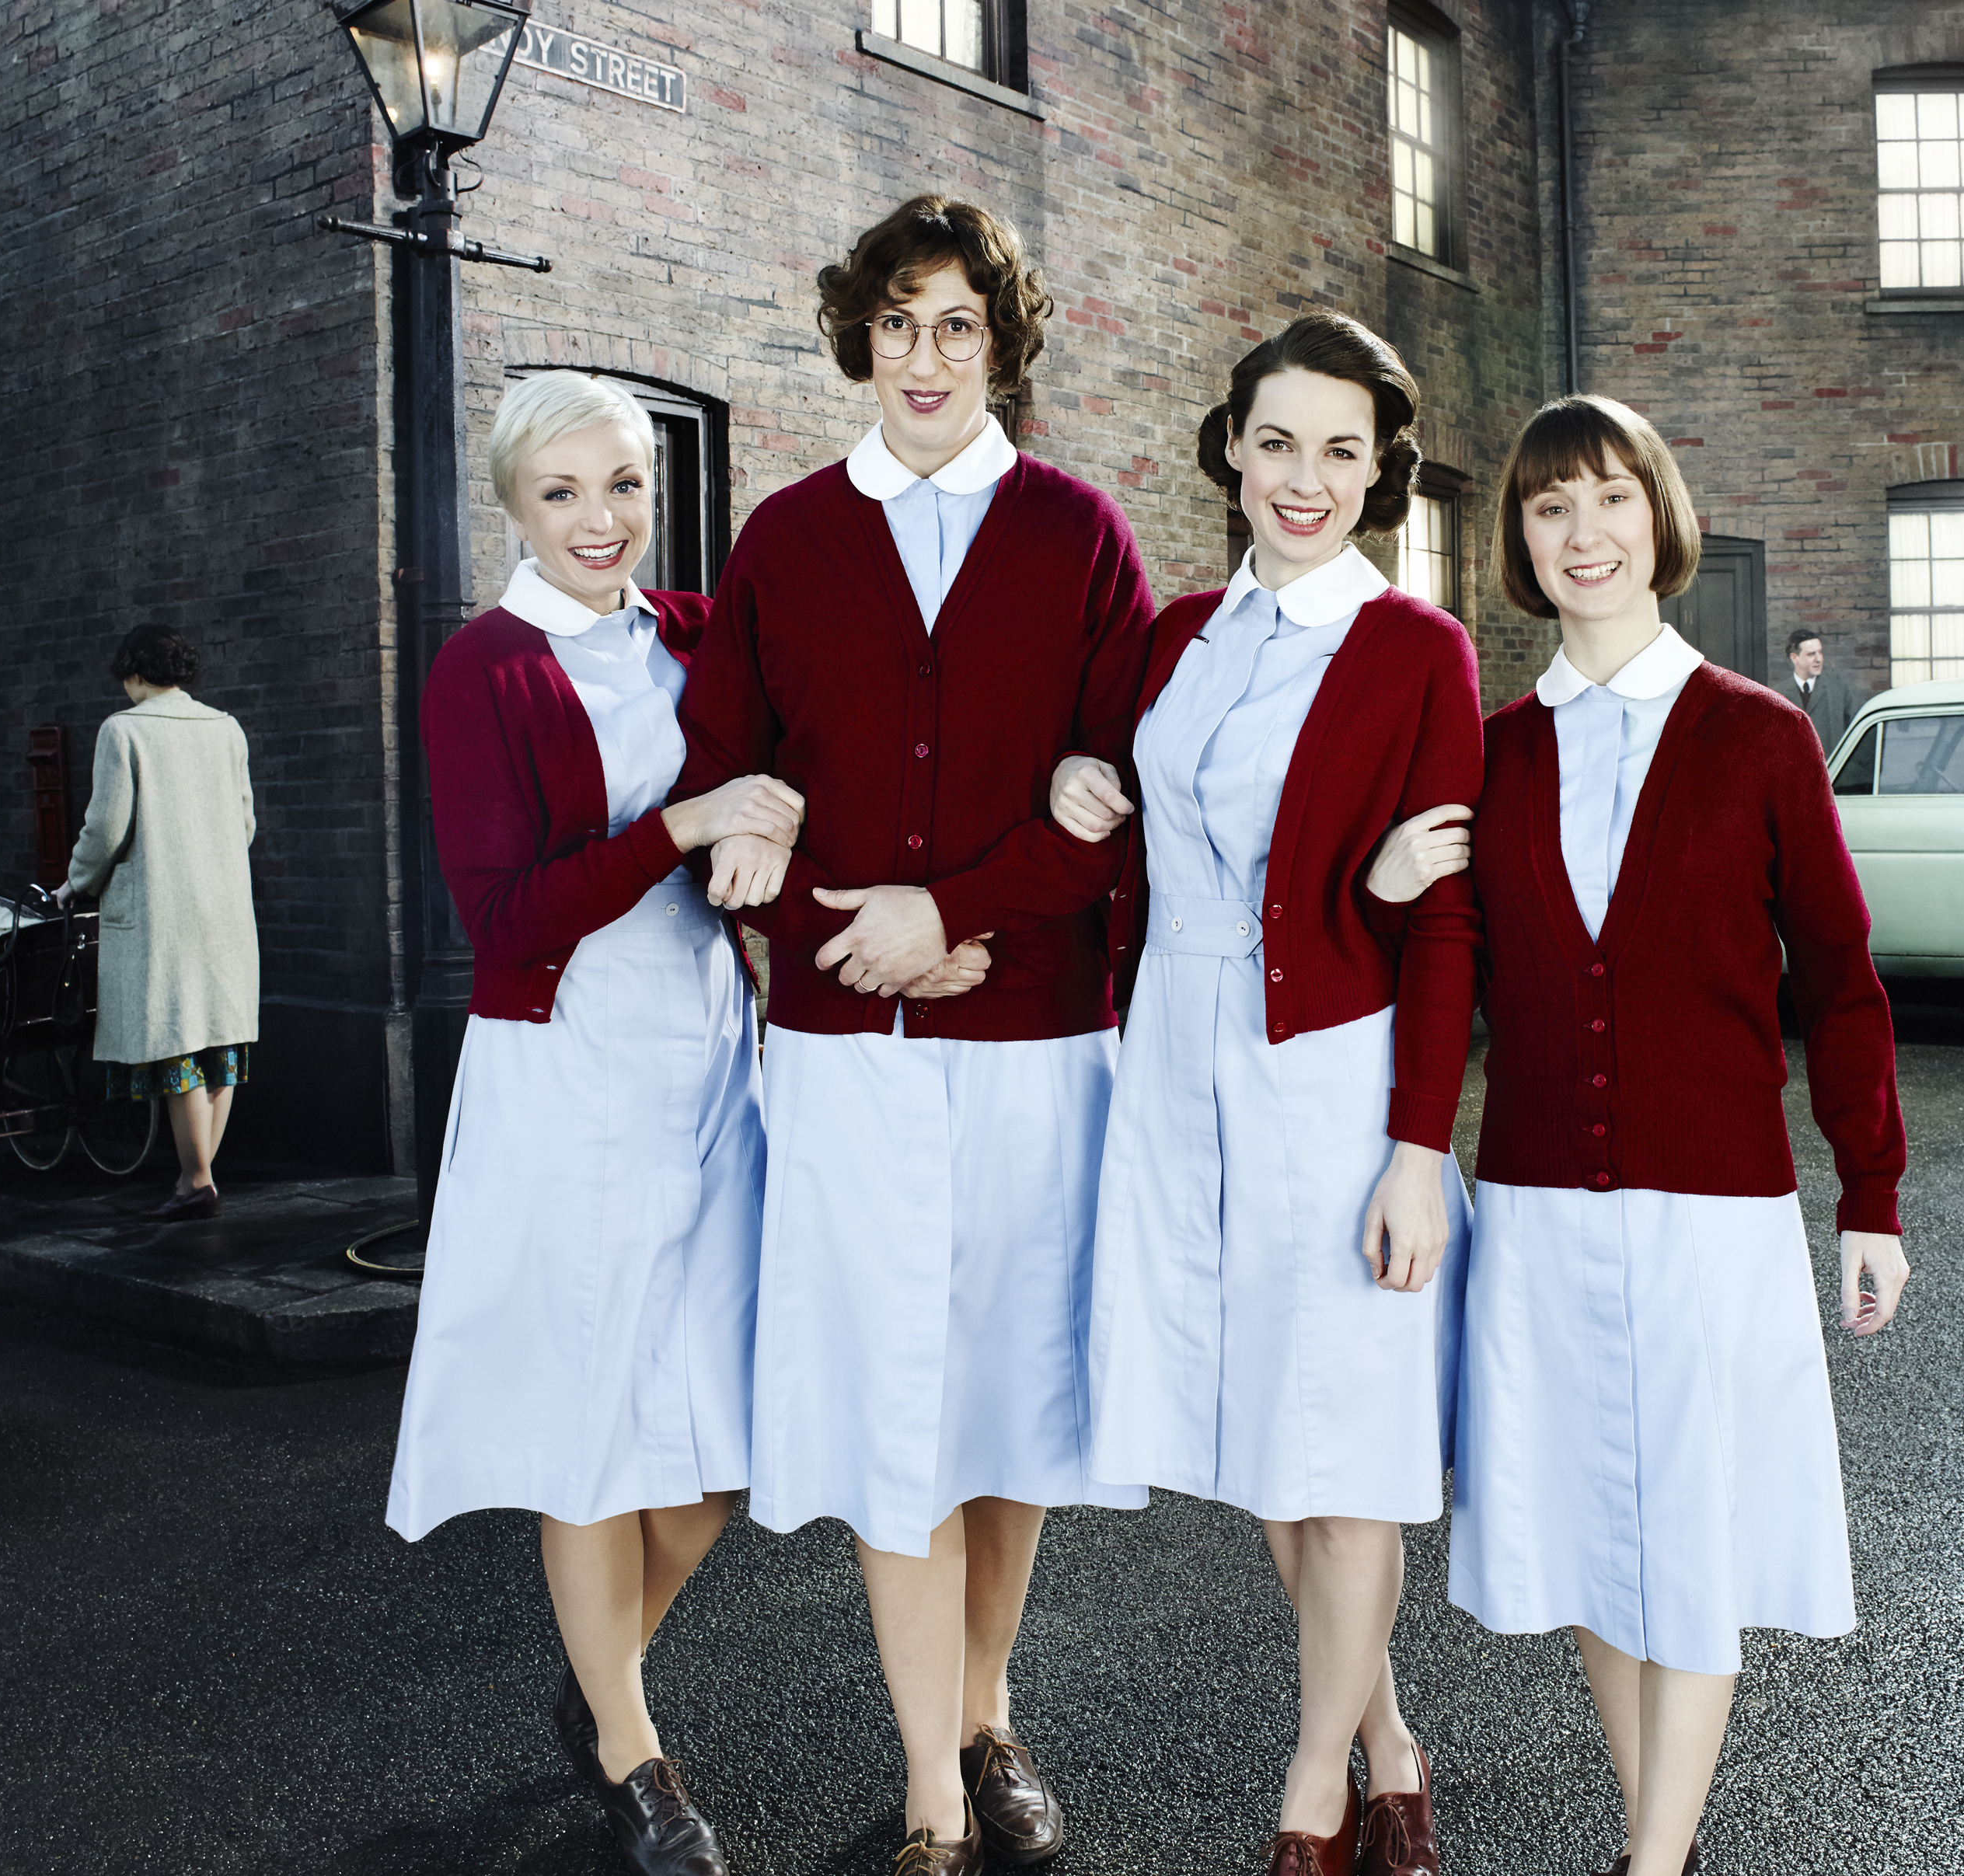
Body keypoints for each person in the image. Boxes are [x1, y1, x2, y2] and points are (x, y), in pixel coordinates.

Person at [676, 194, 1156, 1876]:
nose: (927, 354)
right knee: (892, 1396)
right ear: (858, 340)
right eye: (898, 320)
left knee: (1011, 1399)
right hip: (843, 1052)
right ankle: (932, 1789)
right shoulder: (785, 541)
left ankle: (987, 1709)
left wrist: (958, 919)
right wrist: (847, 922)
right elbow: (727, 771)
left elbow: (1113, 792)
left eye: (959, 323)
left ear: (1001, 346)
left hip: (1032, 1042)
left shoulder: (1081, 534)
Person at [1420, 395, 1911, 1876]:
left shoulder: (1759, 738)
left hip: (1714, 1213)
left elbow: (1838, 981)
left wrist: (1868, 1192)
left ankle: (1649, 1860)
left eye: (1610, 498)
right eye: (1550, 506)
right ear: (1519, 539)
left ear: (1660, 517)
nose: (1583, 533)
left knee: (1686, 1530)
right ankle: (1665, 1843)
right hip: (1536, 1206)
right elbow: (1437, 959)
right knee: (1589, 1529)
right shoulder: (1487, 751)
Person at [1055, 312, 1481, 1876]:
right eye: (1279, 441)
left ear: (1382, 476)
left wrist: (1418, 1147)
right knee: (1264, 1429)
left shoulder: (1415, 649)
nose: (1305, 478)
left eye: (1342, 451)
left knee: (1347, 1430)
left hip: (1327, 1076)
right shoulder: (1174, 637)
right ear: (1231, 446)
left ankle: (1314, 1788)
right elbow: (1108, 785)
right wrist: (1070, 785)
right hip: (1170, 1063)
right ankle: (1386, 1740)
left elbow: (1439, 913)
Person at [383, 371, 805, 1876]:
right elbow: (502, 920)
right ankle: (636, 1752)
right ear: (512, 503)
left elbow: (791, 768)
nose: (600, 520)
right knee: (594, 1433)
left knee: (717, 1441)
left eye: (624, 484)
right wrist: (687, 826)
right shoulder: (479, 671)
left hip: (709, 1052)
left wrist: (766, 833)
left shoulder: (696, 634)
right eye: (562, 492)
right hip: (562, 1063)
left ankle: (598, 1668)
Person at [59, 625, 260, 1221]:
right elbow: (246, 823)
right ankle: (195, 1177)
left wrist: (75, 879)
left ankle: (196, 1181)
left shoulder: (123, 730)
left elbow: (106, 827)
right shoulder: (226, 728)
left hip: (160, 912)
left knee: (176, 1042)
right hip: (223, 909)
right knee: (220, 1043)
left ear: (135, 672)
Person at [1773, 628, 1863, 755]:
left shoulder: (1839, 689)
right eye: (1811, 654)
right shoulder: (1778, 695)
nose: (1819, 659)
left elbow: (1861, 732)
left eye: (1820, 653)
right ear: (1794, 658)